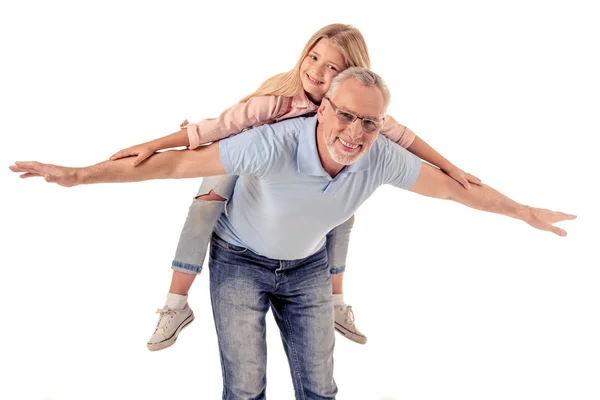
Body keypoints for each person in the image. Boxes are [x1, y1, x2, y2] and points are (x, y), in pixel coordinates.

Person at [10, 67, 576, 399]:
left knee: (319, 387)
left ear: (383, 125)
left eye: (370, 122)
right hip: (238, 263)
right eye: (346, 115)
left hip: (307, 271)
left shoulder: (380, 157)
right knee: (247, 385)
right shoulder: (274, 141)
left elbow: (459, 189)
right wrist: (80, 175)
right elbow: (178, 163)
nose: (355, 132)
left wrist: (522, 211)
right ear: (323, 107)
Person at [106, 23, 481, 349]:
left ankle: (336, 302)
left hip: (292, 181)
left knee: (342, 216)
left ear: (349, 75)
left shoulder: (354, 109)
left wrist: (450, 167)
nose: (317, 70)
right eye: (313, 57)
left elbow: (405, 138)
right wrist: (156, 144)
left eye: (332, 65)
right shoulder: (279, 100)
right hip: (247, 158)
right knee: (206, 203)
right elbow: (217, 127)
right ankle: (176, 302)